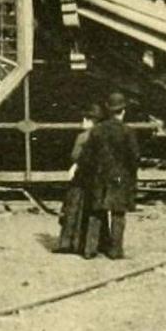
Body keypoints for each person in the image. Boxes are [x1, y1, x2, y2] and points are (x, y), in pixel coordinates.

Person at [78, 91, 139, 259]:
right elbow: (134, 157)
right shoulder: (128, 131)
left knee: (96, 213)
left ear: (108, 109)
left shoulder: (97, 131)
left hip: (99, 176)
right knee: (118, 214)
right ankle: (115, 250)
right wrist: (131, 175)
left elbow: (86, 156)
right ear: (123, 111)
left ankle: (90, 249)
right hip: (120, 177)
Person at [55, 102, 102, 255]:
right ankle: (89, 246)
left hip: (81, 176)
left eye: (85, 119)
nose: (82, 121)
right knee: (91, 212)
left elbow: (74, 156)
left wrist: (75, 166)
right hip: (96, 177)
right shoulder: (102, 136)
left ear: (90, 120)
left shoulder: (82, 137)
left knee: (73, 208)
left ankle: (67, 243)